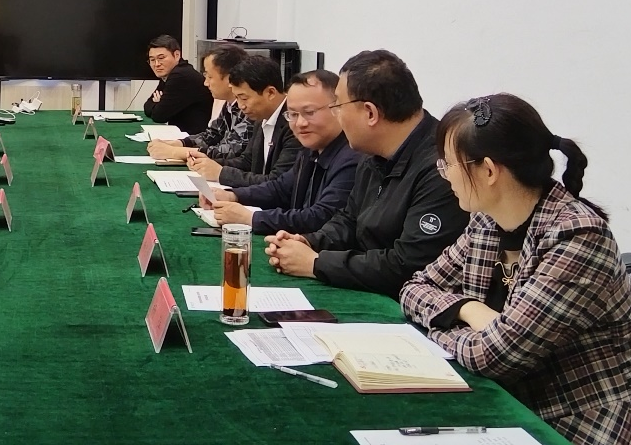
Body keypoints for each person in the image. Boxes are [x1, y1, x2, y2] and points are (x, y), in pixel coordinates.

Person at [399, 94, 631, 445]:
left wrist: (447, 327)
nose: (445, 176)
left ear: (489, 171)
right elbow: (414, 288)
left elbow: (494, 356)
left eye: (449, 165)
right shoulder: (488, 219)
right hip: (512, 401)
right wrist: (468, 308)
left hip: (584, 425)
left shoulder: (578, 237)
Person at [264, 50, 467, 297]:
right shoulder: (373, 153)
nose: (336, 115)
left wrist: (316, 263)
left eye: (337, 106)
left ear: (370, 113)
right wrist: (310, 242)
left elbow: (408, 265)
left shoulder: (442, 168)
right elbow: (349, 219)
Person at [212, 69, 361, 236]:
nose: (300, 123)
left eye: (309, 112)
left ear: (337, 108)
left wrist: (251, 218)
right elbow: (281, 188)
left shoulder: (353, 157)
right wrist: (233, 195)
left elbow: (320, 217)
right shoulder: (310, 149)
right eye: (293, 114)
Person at [186, 55, 299, 188]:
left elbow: (276, 182)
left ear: (270, 93)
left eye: (244, 98)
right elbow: (247, 162)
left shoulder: (294, 125)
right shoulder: (261, 117)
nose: (241, 106)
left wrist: (221, 173)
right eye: (237, 98)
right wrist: (209, 163)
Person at [147, 43, 253, 163]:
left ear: (230, 78)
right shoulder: (229, 105)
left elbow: (231, 152)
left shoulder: (249, 109)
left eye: (210, 77)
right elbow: (213, 134)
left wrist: (175, 152)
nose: (205, 83)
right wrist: (178, 143)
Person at [142, 35, 214, 135]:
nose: (157, 64)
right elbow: (147, 106)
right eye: (152, 60)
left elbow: (159, 116)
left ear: (177, 55)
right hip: (184, 135)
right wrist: (157, 105)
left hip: (196, 138)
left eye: (161, 58)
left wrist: (158, 104)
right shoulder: (170, 73)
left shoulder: (181, 75)